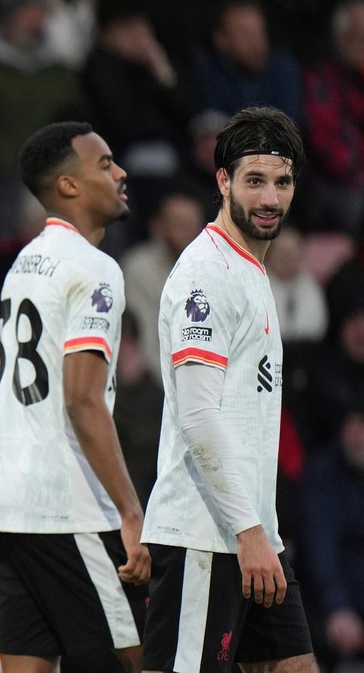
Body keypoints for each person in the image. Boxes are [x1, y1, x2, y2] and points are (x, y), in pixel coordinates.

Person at [0, 121, 152, 673]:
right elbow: (82, 398)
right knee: (155, 657)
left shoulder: (24, 263)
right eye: (104, 164)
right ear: (68, 186)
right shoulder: (94, 269)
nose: (120, 173)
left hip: (4, 502)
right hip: (66, 503)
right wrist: (130, 509)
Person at [140, 106, 316, 672]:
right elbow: (196, 416)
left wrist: (260, 532)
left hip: (254, 535)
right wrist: (249, 531)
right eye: (255, 181)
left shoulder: (251, 269)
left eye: (282, 182)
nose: (270, 198)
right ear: (223, 181)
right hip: (206, 536)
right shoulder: (205, 275)